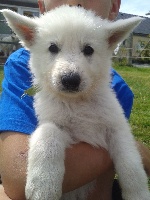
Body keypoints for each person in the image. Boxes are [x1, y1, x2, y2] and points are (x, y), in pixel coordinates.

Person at [0, 0, 150, 200]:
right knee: (49, 131)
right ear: (30, 37)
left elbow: (118, 135)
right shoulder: (26, 77)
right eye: (53, 48)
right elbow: (53, 130)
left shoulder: (116, 93)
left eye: (88, 50)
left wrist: (136, 190)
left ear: (110, 42)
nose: (71, 72)